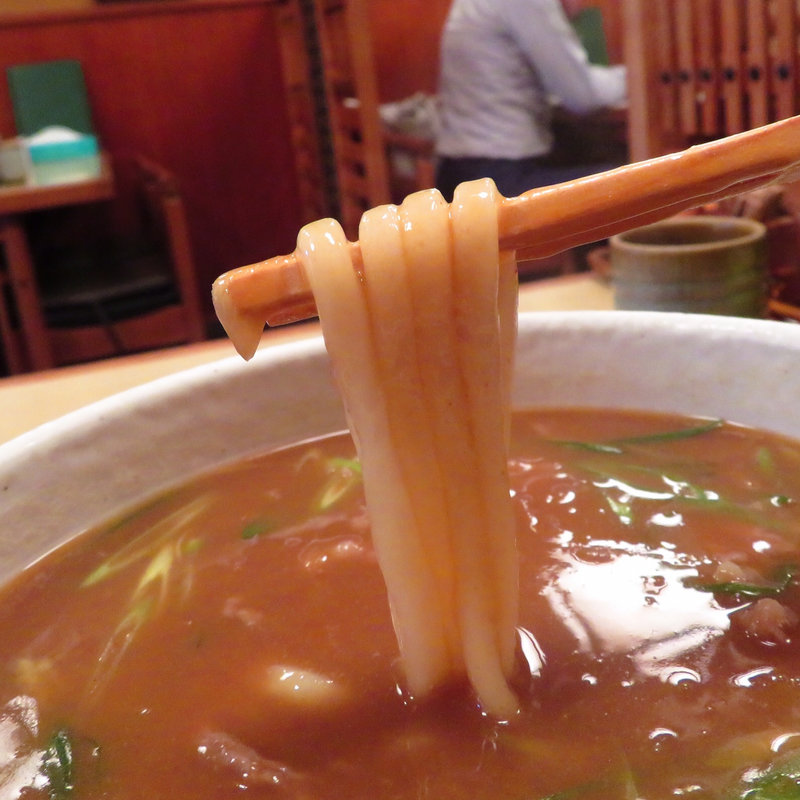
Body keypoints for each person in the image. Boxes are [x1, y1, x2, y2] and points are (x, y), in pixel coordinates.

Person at [434, 0, 627, 201]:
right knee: (627, 185)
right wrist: (641, 75)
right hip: (497, 179)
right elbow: (583, 95)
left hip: (457, 173)